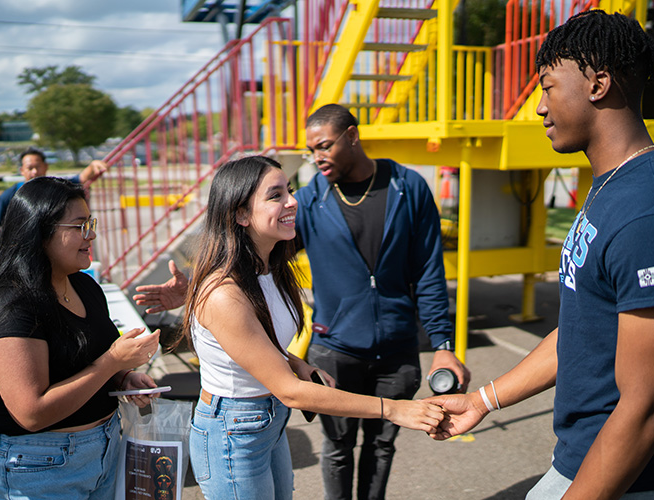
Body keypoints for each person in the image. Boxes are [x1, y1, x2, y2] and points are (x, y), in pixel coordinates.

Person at [428, 10, 654, 499]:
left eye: (548, 86)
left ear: (598, 84)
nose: (539, 106)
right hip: (579, 461)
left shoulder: (647, 214)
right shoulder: (609, 191)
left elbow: (648, 404)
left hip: (626, 480)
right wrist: (483, 400)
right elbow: (583, 330)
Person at [140, 155, 444, 500]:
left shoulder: (270, 269)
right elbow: (290, 390)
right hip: (234, 431)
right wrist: (393, 408)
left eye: (290, 190)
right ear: (240, 214)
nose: (293, 201)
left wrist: (298, 364)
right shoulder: (224, 294)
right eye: (276, 196)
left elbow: (260, 346)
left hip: (268, 422)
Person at [295, 103, 470, 500]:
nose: (317, 157)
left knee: (382, 445)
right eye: (311, 150)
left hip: (397, 350)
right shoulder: (308, 202)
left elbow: (429, 271)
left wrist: (443, 345)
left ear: (352, 136)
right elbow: (265, 254)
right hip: (334, 349)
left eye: (324, 145)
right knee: (338, 448)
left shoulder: (407, 188)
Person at [0, 176, 161, 499]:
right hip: (38, 466)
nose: (91, 234)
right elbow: (31, 412)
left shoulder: (84, 286)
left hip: (105, 449)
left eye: (91, 223)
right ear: (39, 233)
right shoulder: (11, 304)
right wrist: (112, 362)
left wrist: (123, 377)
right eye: (80, 226)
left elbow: (86, 360)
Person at [0, 147, 108, 252]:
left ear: (45, 167)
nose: (34, 172)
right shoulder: (10, 195)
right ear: (22, 170)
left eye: (38, 167)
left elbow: (81, 178)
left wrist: (93, 166)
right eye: (30, 168)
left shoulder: (55, 188)